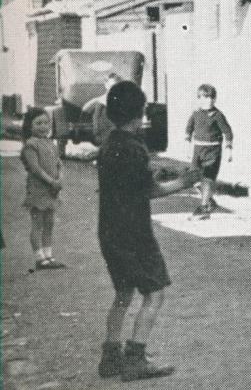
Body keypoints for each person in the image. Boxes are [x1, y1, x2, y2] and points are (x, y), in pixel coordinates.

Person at [96, 81, 201, 381]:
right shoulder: (134, 148)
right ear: (140, 113)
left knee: (122, 294)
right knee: (154, 294)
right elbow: (149, 191)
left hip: (110, 232)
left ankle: (110, 357)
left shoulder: (109, 144)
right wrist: (183, 183)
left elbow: (129, 184)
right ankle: (136, 358)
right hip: (135, 234)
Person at [20, 108, 65, 269]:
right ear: (29, 126)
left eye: (46, 122)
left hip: (52, 189)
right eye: (38, 123)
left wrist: (59, 178)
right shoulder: (30, 145)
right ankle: (39, 258)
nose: (43, 126)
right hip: (39, 189)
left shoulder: (51, 143)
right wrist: (51, 181)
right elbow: (36, 169)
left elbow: (59, 163)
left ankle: (49, 255)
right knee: (37, 223)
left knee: (50, 222)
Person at [184, 84, 233, 220]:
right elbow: (188, 129)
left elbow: (227, 132)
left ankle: (204, 208)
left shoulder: (217, 115)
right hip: (198, 150)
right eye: (205, 98)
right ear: (199, 99)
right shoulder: (195, 114)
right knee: (193, 179)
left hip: (213, 150)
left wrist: (228, 149)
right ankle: (209, 199)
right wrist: (187, 146)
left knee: (208, 177)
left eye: (212, 98)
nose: (209, 101)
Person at [83, 73, 122, 146]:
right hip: (104, 135)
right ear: (106, 86)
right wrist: (96, 134)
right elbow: (96, 117)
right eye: (112, 86)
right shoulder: (101, 101)